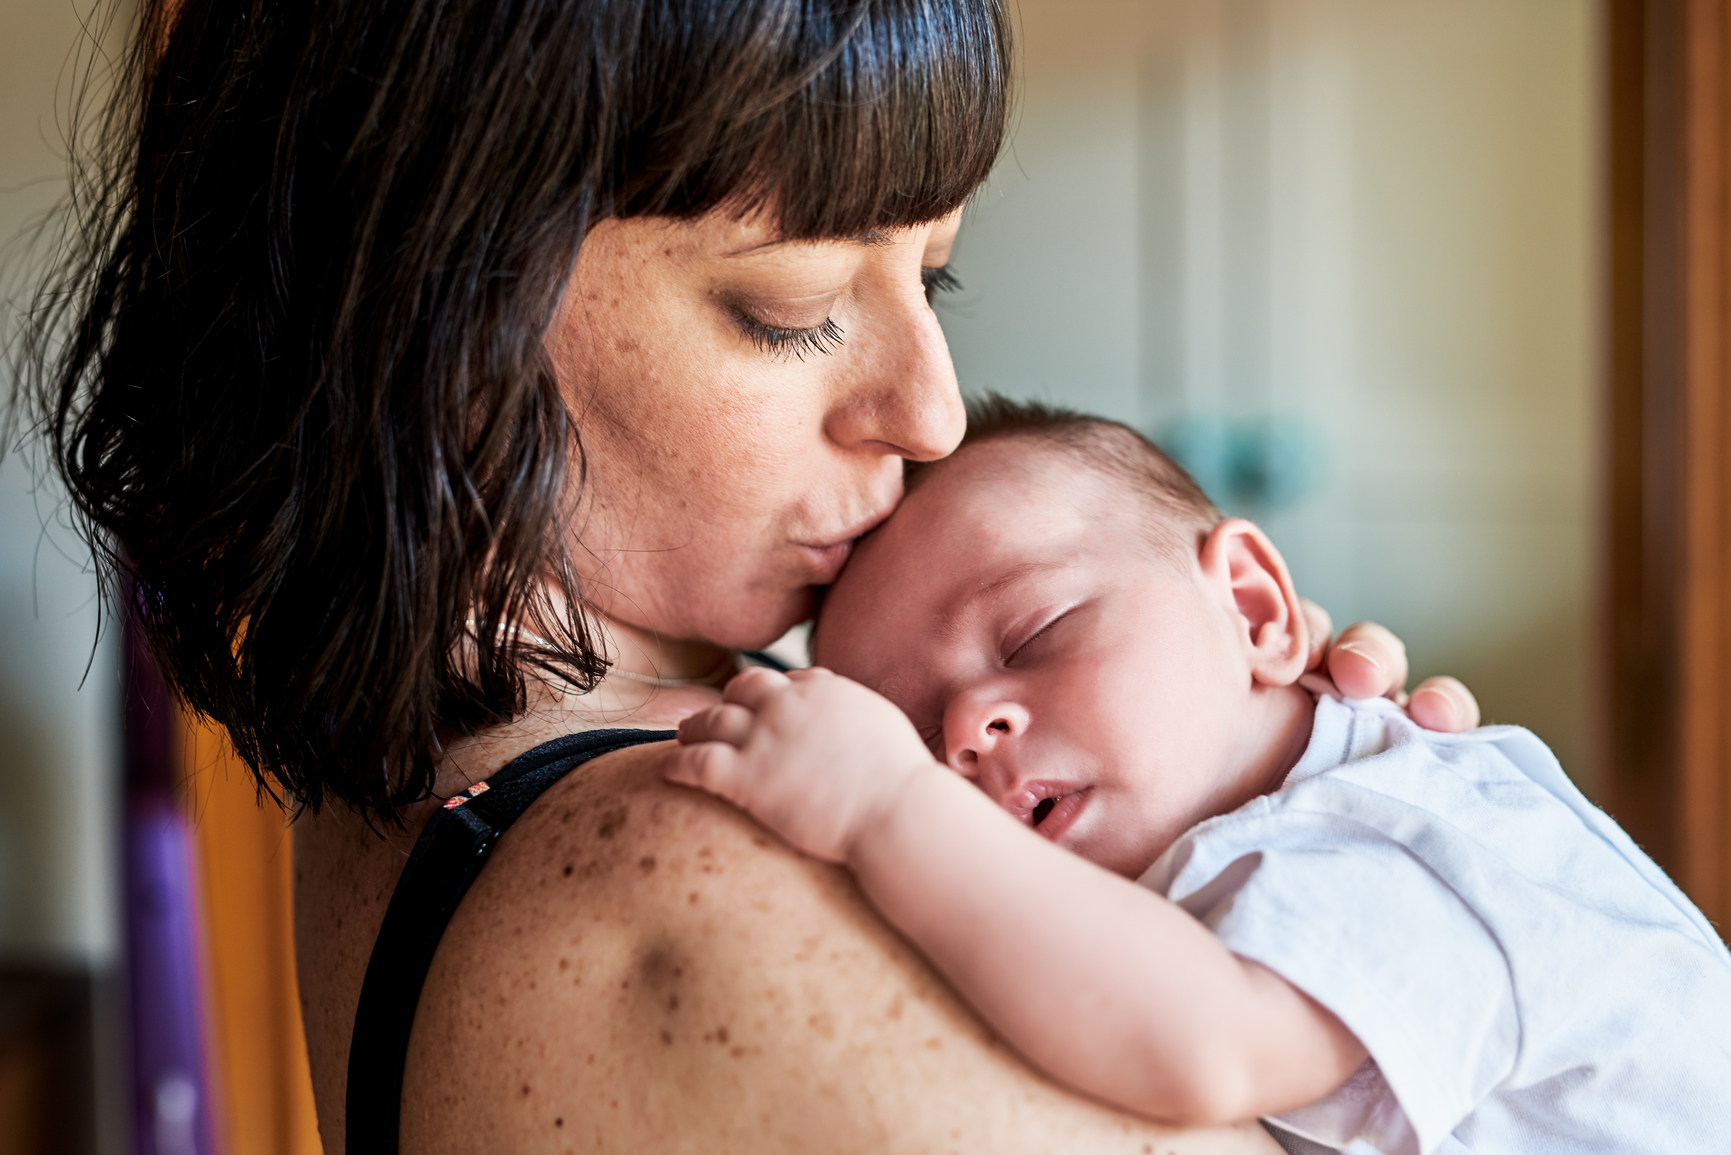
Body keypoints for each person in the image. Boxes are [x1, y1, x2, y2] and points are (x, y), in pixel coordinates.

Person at [24, 1, 1482, 1150]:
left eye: (934, 277)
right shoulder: (698, 886)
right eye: (789, 309)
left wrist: (1265, 810)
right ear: (444, 313)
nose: (930, 411)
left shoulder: (487, 759)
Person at [670, 399, 1731, 1155]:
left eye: (1033, 634)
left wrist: (882, 803)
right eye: (902, 733)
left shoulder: (1391, 840)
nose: (965, 728)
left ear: (1259, 610)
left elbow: (1200, 1049)